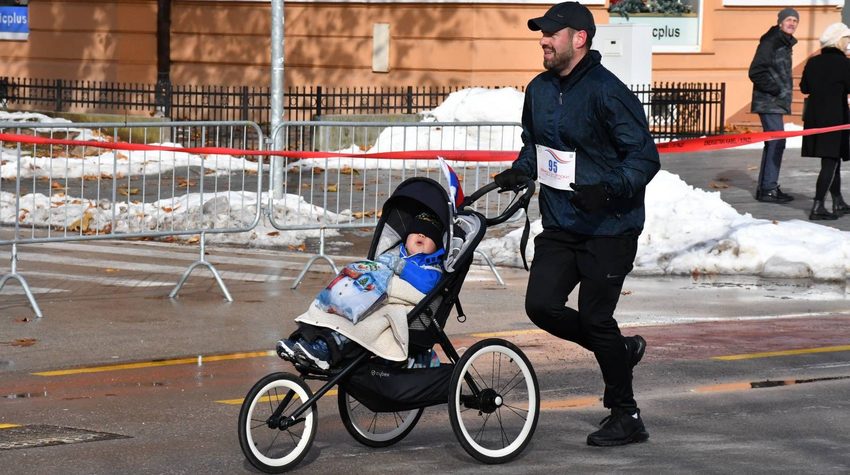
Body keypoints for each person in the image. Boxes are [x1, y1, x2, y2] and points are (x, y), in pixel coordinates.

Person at [494, 1, 659, 447]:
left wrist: (607, 189)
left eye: (552, 33)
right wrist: (521, 170)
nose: (543, 41)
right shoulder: (539, 89)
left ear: (579, 38)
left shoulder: (608, 92)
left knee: (595, 317)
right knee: (541, 305)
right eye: (542, 34)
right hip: (562, 221)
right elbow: (535, 144)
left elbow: (644, 158)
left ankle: (626, 415)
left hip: (610, 226)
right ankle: (620, 352)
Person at [276, 210, 445, 369]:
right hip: (373, 295)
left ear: (437, 246)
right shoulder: (392, 254)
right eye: (416, 232)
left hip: (402, 306)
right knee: (336, 299)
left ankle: (325, 348)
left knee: (361, 322)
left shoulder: (432, 267)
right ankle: (305, 336)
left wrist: (402, 267)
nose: (421, 235)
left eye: (429, 234)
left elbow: (428, 284)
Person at [748, 8, 800, 203]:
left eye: (795, 21)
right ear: (780, 22)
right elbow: (755, 71)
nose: (792, 23)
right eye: (789, 19)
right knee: (777, 142)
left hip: (774, 102)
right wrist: (775, 89)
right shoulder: (771, 42)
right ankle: (768, 188)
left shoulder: (784, 43)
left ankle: (767, 187)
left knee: (774, 142)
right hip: (769, 101)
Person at [800, 22, 850, 220]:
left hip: (815, 117)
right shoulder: (844, 63)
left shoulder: (813, 62)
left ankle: (838, 201)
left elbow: (804, 88)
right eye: (846, 39)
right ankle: (818, 206)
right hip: (835, 117)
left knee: (832, 159)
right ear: (838, 41)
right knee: (830, 162)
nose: (848, 43)